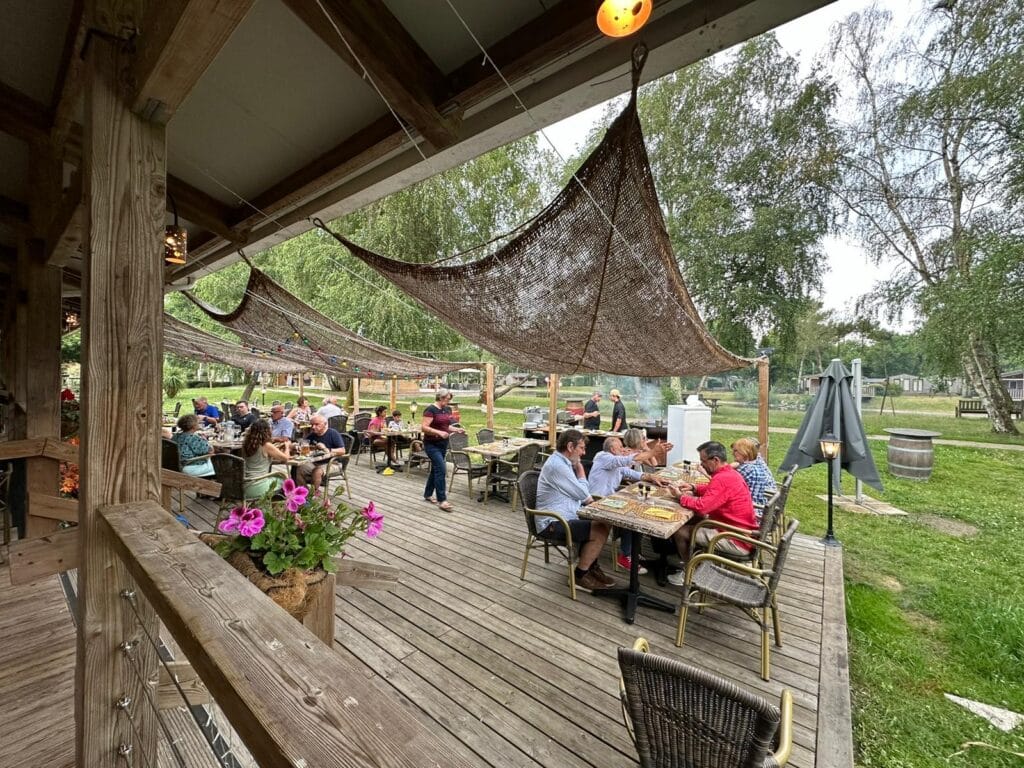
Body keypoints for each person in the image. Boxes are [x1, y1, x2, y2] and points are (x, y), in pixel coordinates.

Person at [535, 429, 618, 591]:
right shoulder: (558, 466)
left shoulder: (563, 463)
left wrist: (587, 499)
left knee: (604, 522)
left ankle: (590, 567)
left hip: (568, 515)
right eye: (581, 448)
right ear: (570, 446)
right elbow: (581, 493)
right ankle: (580, 576)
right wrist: (581, 472)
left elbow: (581, 496)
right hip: (552, 522)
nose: (584, 452)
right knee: (599, 529)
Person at [666, 441, 758, 585]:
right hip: (742, 531)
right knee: (694, 520)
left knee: (680, 531)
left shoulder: (722, 479)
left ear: (715, 460)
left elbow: (702, 507)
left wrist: (680, 496)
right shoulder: (729, 473)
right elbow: (714, 490)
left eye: (703, 461)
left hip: (735, 538)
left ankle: (691, 573)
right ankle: (700, 562)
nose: (701, 465)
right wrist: (693, 487)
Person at [589, 436, 668, 573]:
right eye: (620, 447)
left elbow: (632, 473)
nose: (624, 449)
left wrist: (651, 477)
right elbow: (626, 460)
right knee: (631, 515)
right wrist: (653, 452)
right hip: (596, 502)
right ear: (613, 449)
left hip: (608, 500)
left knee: (638, 508)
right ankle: (625, 556)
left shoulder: (615, 464)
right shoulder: (604, 457)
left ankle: (632, 551)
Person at [420, 388, 465, 512]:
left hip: (442, 444)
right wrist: (439, 432)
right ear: (441, 398)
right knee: (441, 468)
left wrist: (456, 430)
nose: (449, 401)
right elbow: (424, 427)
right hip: (431, 444)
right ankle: (442, 500)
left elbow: (446, 426)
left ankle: (428, 494)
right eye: (447, 399)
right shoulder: (430, 410)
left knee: (436, 469)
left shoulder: (445, 410)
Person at [240, 420, 289, 498]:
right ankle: (278, 507)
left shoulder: (246, 444)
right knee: (285, 480)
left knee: (276, 478)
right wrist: (287, 447)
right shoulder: (266, 445)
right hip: (258, 486)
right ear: (266, 431)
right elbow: (286, 458)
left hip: (244, 486)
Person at [297, 414, 347, 491]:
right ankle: (305, 492)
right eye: (312, 424)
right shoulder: (312, 435)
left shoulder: (333, 433)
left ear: (325, 424)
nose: (313, 427)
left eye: (316, 424)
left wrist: (326, 449)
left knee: (317, 471)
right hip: (315, 462)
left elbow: (342, 450)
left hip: (333, 463)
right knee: (297, 468)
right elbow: (303, 444)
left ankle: (313, 494)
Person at [730, 437, 777, 510]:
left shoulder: (747, 469)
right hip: (762, 506)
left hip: (749, 513)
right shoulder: (756, 463)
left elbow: (722, 484)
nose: (732, 453)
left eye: (736, 451)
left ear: (745, 451)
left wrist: (728, 468)